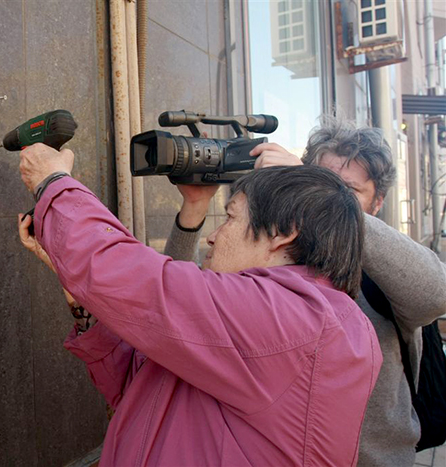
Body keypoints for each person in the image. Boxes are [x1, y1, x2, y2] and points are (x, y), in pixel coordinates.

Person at [16, 143, 382, 466]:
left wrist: (54, 183)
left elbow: (138, 281)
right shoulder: (288, 319)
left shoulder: (298, 319)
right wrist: (83, 295)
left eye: (231, 219)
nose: (212, 235)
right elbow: (142, 386)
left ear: (283, 234)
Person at [188, 115, 446, 467]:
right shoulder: (275, 251)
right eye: (320, 183)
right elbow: (184, 299)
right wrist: (194, 208)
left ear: (378, 202)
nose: (330, 196)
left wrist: (327, 200)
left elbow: (435, 292)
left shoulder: (388, 270)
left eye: (348, 191)